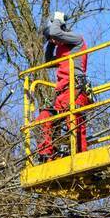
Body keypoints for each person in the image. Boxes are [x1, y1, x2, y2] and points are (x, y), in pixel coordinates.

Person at [37, 13, 90, 159]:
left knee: (74, 121)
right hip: (61, 92)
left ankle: (80, 155)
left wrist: (58, 20)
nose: (53, 39)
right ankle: (47, 154)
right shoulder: (60, 49)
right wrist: (52, 43)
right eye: (51, 38)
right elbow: (48, 61)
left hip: (75, 88)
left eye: (54, 37)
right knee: (44, 117)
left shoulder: (77, 41)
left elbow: (55, 32)